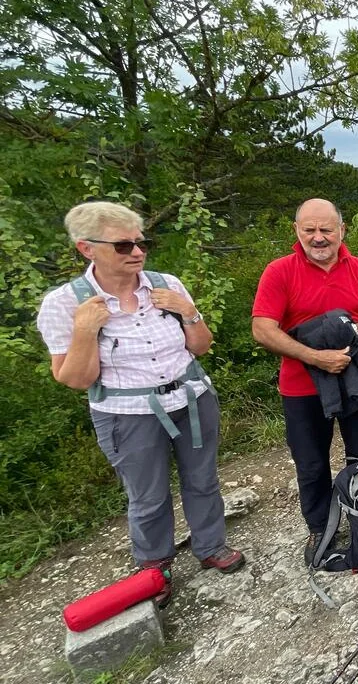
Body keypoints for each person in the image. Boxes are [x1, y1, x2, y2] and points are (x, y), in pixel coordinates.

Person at [36, 201, 244, 608]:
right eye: (123, 245)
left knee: (203, 479)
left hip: (191, 397)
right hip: (126, 414)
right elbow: (75, 379)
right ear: (87, 248)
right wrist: (84, 332)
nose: (137, 251)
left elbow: (200, 346)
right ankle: (155, 566)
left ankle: (211, 545)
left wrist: (188, 311)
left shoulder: (165, 285)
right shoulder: (66, 303)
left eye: (142, 242)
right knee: (147, 495)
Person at [251, 198, 358, 561]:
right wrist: (315, 356)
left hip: (357, 380)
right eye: (310, 230)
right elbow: (262, 328)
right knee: (311, 462)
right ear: (297, 231)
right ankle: (320, 528)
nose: (318, 238)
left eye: (326, 230)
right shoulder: (279, 271)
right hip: (302, 388)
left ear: (341, 230)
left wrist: (349, 331)